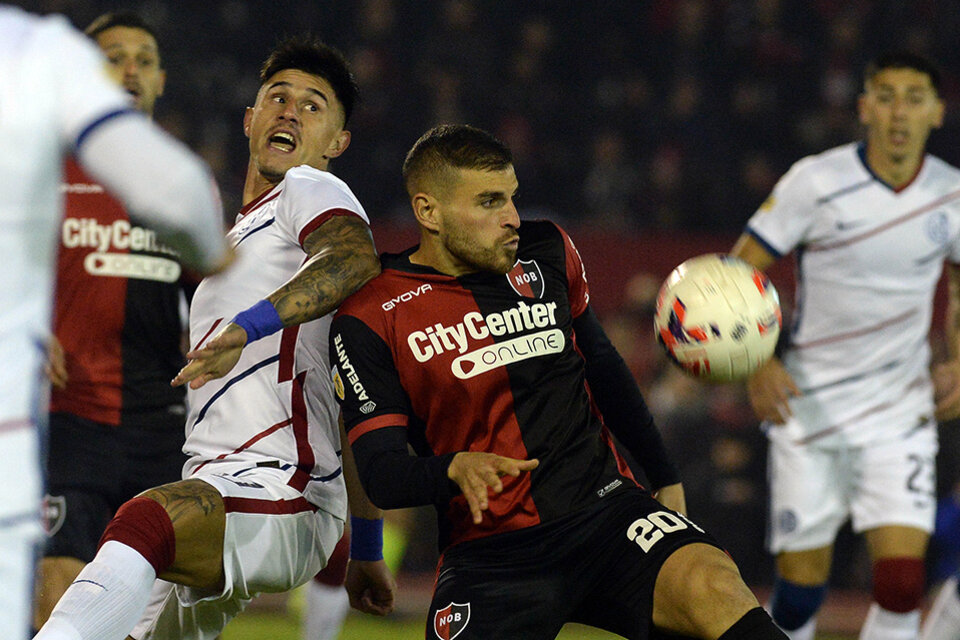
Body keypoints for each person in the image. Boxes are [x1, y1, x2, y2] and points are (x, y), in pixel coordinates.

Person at [330, 123, 787, 640]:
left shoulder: (548, 251)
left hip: (607, 514)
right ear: (428, 212)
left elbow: (604, 367)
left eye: (511, 199)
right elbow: (382, 473)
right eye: (488, 202)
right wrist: (451, 467)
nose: (510, 220)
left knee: (716, 585)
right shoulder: (371, 316)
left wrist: (664, 473)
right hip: (490, 555)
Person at [34, 36, 394, 640]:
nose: (289, 111)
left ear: (338, 143)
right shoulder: (244, 236)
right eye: (277, 98)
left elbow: (354, 257)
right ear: (250, 119)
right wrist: (369, 547)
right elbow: (355, 392)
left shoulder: (311, 191)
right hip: (221, 482)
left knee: (146, 522)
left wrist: (246, 327)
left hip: (283, 487)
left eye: (313, 106)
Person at [0, 6, 231, 640]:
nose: (130, 69)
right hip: (69, 423)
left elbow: (215, 291)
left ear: (160, 82)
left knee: (157, 625)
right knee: (57, 610)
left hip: (162, 428)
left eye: (145, 60)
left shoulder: (185, 187)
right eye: (113, 56)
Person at [730, 51, 960, 640]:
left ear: (937, 111)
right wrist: (760, 363)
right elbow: (738, 271)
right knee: (803, 592)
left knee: (904, 583)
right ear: (864, 107)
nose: (899, 111)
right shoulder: (817, 181)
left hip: (899, 409)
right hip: (810, 407)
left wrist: (959, 359)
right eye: (885, 96)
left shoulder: (951, 193)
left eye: (914, 97)